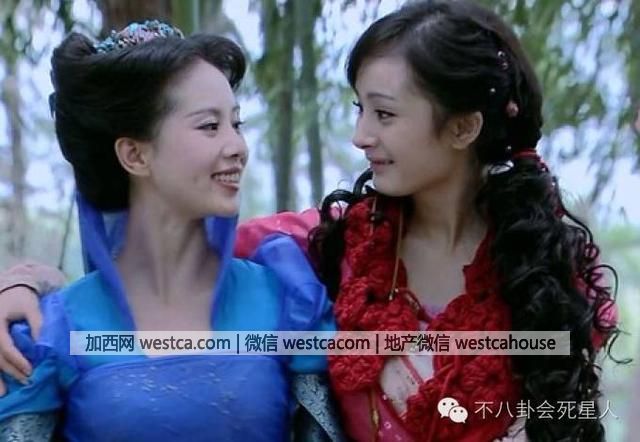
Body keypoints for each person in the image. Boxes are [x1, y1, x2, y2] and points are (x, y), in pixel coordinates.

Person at [0, 1, 620, 441]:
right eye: (358, 110)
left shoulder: (549, 274)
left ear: (463, 127)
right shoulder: (325, 248)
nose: (360, 136)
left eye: (383, 114)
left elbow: (572, 416)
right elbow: (161, 258)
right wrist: (26, 281)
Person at [0, 20, 343, 442]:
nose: (238, 147)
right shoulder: (53, 330)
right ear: (134, 155)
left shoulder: (286, 301)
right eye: (210, 126)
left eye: (236, 124)